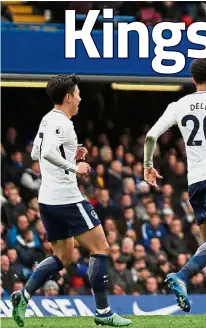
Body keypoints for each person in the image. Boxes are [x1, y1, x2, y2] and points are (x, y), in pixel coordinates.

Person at [11, 74, 131, 327]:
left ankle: (25, 293)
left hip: (47, 200)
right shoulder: (62, 122)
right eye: (77, 94)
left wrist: (70, 155)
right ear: (68, 97)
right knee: (101, 248)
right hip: (67, 198)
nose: (80, 98)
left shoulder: (48, 119)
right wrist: (75, 167)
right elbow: (46, 152)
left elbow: (35, 152)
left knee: (64, 257)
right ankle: (104, 311)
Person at [143, 58, 206, 328]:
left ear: (193, 80)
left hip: (195, 182)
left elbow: (151, 136)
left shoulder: (178, 106)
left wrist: (148, 166)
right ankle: (182, 275)